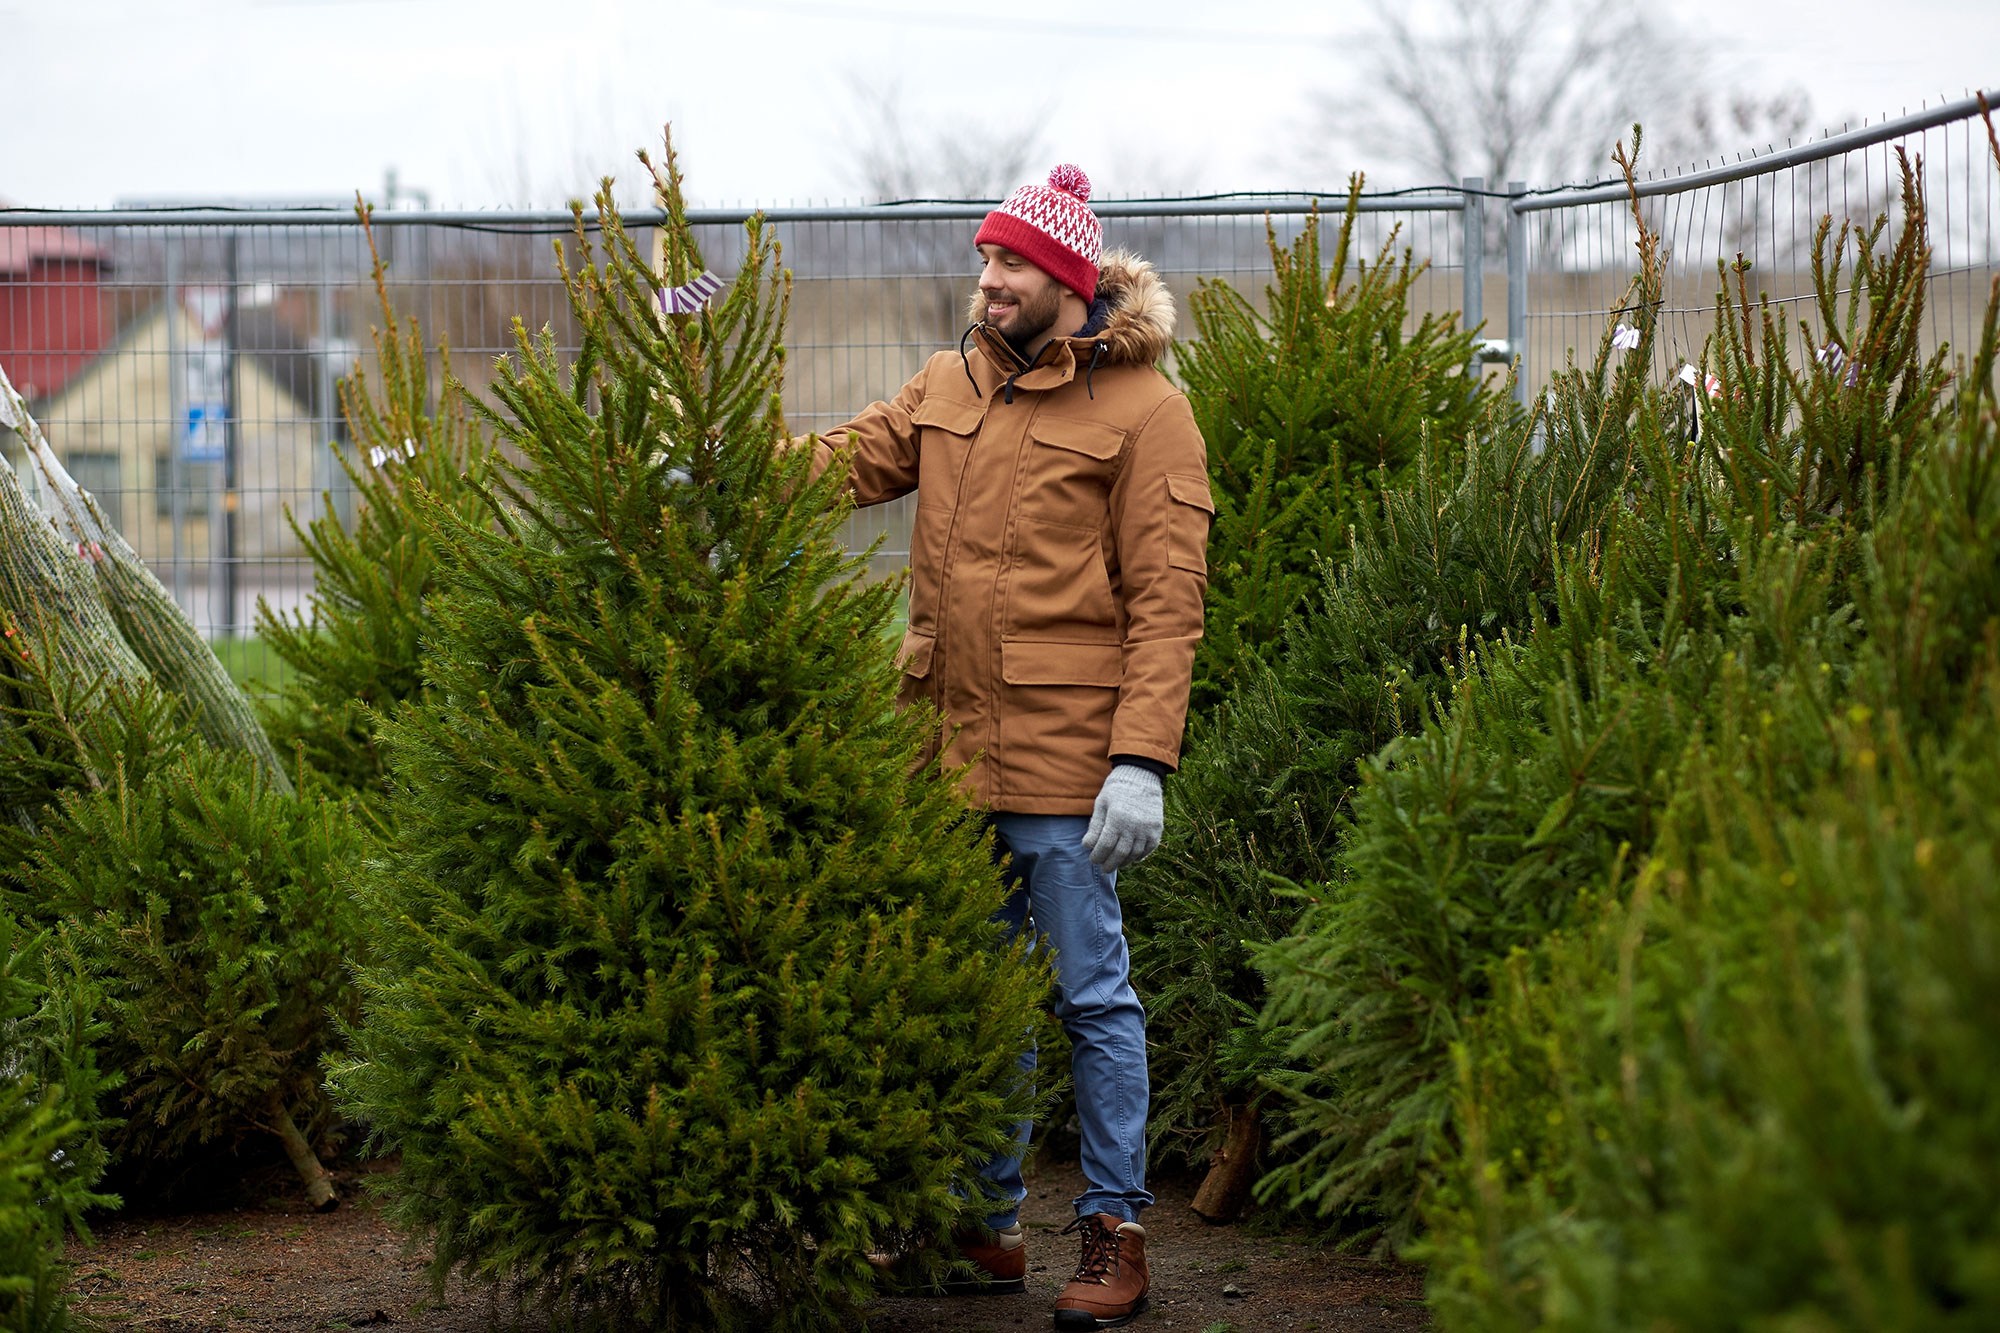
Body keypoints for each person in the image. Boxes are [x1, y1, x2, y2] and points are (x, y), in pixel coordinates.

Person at [806, 164, 1211, 1330]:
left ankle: (1112, 1229)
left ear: (1069, 284)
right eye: (983, 260)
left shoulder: (1145, 412)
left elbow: (1167, 601)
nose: (987, 281)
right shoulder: (948, 386)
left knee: (1092, 999)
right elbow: (840, 462)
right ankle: (980, 1226)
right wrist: (711, 449)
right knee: (973, 997)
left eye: (1011, 266)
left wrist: (1141, 760)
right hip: (942, 757)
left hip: (1074, 768)